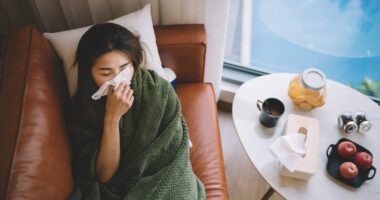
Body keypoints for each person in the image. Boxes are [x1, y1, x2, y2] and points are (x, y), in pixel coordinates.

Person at [67, 22, 206, 199]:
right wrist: (112, 118)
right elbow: (104, 175)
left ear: (134, 62)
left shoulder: (158, 90)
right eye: (105, 73)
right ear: (89, 72)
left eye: (124, 69)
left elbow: (173, 153)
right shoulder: (81, 110)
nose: (118, 80)